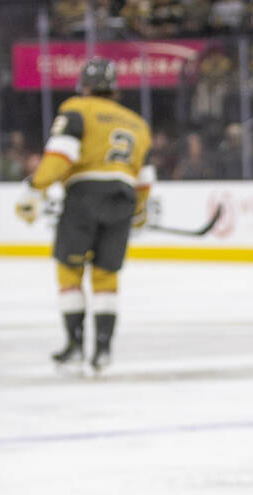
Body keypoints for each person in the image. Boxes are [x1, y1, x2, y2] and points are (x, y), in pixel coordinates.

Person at [16, 57, 153, 374]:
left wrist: (37, 187)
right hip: (123, 196)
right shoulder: (138, 123)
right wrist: (140, 210)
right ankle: (103, 351)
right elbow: (144, 177)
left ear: (85, 86)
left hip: (84, 195)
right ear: (115, 89)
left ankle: (75, 346)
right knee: (106, 275)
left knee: (70, 270)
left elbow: (61, 154)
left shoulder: (78, 107)